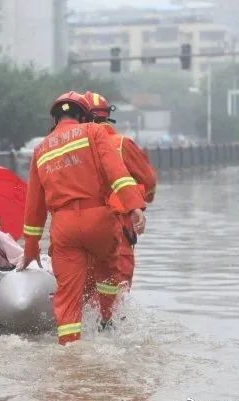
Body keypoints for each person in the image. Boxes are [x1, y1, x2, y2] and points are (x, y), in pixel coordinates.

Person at [19, 91, 147, 345]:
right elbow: (117, 173)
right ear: (83, 115)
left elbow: (34, 207)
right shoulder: (94, 132)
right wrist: (134, 207)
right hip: (98, 219)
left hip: (63, 226)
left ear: (55, 118)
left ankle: (69, 350)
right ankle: (106, 322)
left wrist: (31, 249)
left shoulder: (41, 149)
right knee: (109, 272)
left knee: (67, 297)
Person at [82, 91, 157, 327]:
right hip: (118, 229)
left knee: (84, 295)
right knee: (117, 292)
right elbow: (149, 180)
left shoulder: (71, 147)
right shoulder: (121, 144)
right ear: (107, 116)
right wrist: (138, 204)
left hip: (80, 229)